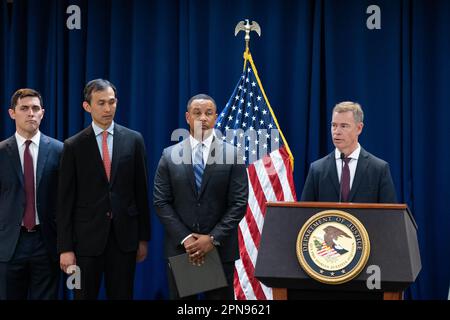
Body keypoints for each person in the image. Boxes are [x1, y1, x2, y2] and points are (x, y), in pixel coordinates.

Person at [57, 79, 150, 300]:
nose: (108, 109)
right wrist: (65, 248)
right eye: (101, 103)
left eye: (112, 102)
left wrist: (143, 239)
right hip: (84, 245)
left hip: (124, 241)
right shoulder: (73, 146)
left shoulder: (134, 140)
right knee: (82, 295)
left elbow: (141, 192)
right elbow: (64, 201)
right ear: (87, 106)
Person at [153, 94, 248, 300]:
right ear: (188, 117)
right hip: (182, 250)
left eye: (208, 113)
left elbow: (239, 203)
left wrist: (212, 239)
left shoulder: (233, 155)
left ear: (215, 117)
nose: (203, 118)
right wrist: (187, 239)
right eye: (197, 113)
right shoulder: (169, 156)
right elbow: (161, 202)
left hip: (219, 251)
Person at [0, 88, 63, 299]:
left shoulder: (59, 150)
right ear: (12, 113)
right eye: (24, 108)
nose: (31, 113)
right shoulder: (0, 152)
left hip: (46, 243)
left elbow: (66, 200)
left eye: (36, 108)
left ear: (43, 113)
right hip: (9, 244)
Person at [301, 101, 397, 203]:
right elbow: (305, 215)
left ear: (359, 128)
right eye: (334, 125)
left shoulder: (379, 169)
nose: (336, 131)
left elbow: (390, 216)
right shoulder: (317, 170)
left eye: (344, 126)